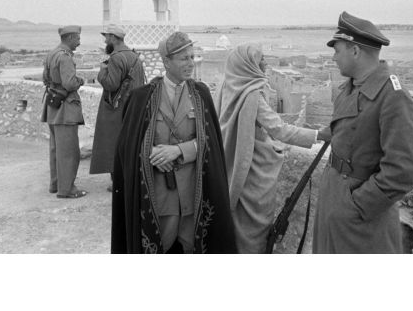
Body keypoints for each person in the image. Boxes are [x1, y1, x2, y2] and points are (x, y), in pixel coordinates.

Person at [111, 31, 237, 253]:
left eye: (192, 57)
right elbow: (126, 146)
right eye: (184, 59)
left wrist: (178, 150)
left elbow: (212, 142)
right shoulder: (142, 98)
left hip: (194, 193)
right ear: (166, 62)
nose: (191, 63)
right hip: (160, 197)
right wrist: (152, 154)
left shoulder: (201, 94)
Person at [312, 11, 413, 253]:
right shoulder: (349, 88)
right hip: (334, 198)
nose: (333, 57)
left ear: (355, 51)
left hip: (362, 218)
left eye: (337, 50)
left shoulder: (393, 96)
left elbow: (402, 172)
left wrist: (356, 206)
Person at [214, 43, 330, 253]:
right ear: (248, 65)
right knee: (253, 232)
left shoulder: (227, 85)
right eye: (261, 60)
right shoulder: (252, 96)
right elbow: (280, 130)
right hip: (252, 177)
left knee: (236, 227)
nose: (266, 63)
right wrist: (318, 134)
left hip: (228, 168)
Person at [89, 24, 145, 190]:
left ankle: (119, 182)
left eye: (106, 37)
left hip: (117, 109)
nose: (105, 40)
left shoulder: (116, 58)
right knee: (130, 144)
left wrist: (101, 72)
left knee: (113, 144)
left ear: (113, 38)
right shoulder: (134, 56)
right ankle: (129, 179)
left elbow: (111, 85)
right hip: (133, 107)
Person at [40, 25, 87, 198]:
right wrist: (80, 80)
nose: (79, 42)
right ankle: (67, 190)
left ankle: (56, 184)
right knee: (68, 152)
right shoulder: (65, 57)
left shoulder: (52, 54)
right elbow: (69, 83)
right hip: (66, 109)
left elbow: (45, 78)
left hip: (53, 106)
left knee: (55, 150)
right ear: (69, 38)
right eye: (77, 38)